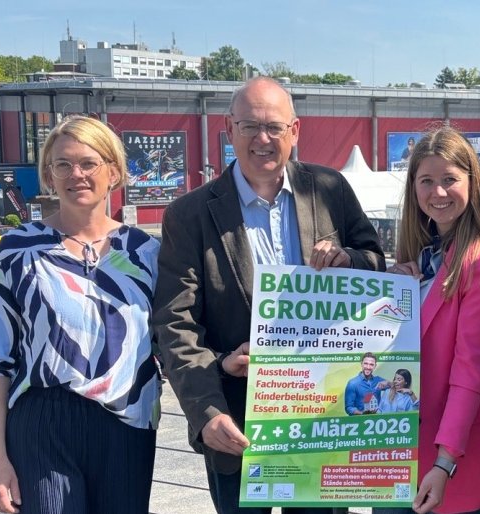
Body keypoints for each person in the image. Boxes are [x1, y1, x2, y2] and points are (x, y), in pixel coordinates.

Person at [153, 76, 385, 514]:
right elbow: (174, 322)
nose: (263, 139)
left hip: (321, 416)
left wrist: (349, 260)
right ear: (228, 129)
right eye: (249, 127)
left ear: (294, 131)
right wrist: (205, 411)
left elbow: (376, 261)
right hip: (234, 417)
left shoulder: (330, 188)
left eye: (275, 128)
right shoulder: (188, 214)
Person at [0, 115, 161, 514]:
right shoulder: (15, 251)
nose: (77, 174)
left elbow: (174, 337)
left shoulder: (147, 253)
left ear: (114, 171)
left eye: (89, 163)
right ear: (48, 175)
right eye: (63, 164)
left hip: (127, 424)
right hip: (43, 422)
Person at [380, 126, 480, 514]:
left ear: (472, 183)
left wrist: (445, 462)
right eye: (426, 180)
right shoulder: (423, 257)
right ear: (413, 188)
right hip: (401, 454)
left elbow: (470, 373)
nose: (437, 192)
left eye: (449, 180)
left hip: (455, 462)